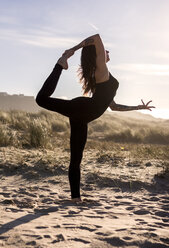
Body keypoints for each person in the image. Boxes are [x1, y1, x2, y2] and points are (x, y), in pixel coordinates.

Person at [36, 34, 155, 202]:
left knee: (76, 158)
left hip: (82, 117)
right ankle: (60, 64)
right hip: (80, 109)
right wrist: (71, 51)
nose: (107, 50)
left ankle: (75, 198)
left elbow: (113, 107)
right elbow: (96, 37)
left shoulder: (100, 74)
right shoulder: (101, 70)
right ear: (97, 55)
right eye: (104, 50)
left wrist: (138, 107)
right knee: (41, 99)